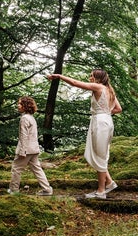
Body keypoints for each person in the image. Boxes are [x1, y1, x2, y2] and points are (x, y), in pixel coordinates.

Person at [47, 69, 122, 199]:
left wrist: (59, 76)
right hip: (107, 121)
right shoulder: (110, 90)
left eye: (91, 76)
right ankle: (109, 183)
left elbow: (75, 83)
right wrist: (106, 112)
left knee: (99, 155)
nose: (89, 78)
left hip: (99, 122)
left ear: (98, 78)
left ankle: (101, 191)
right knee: (102, 154)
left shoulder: (98, 87)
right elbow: (118, 109)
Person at [8, 96, 53, 196]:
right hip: (34, 149)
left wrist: (22, 150)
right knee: (37, 169)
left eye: (20, 104)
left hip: (26, 150)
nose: (18, 105)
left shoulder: (24, 119)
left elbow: (24, 136)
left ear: (25, 106)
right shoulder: (31, 118)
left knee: (16, 168)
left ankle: (13, 190)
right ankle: (47, 189)